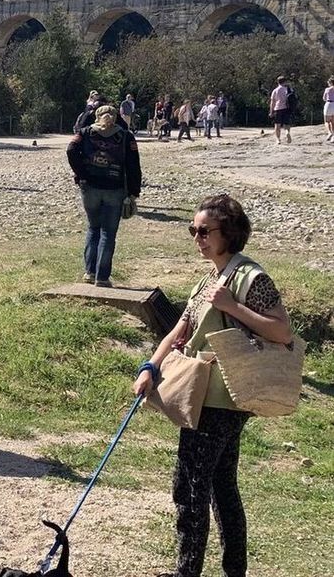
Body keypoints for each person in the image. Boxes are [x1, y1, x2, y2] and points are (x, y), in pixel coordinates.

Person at [134, 195, 293, 577]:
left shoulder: (250, 277)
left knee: (189, 487)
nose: (197, 237)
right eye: (193, 230)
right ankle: (233, 571)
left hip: (224, 398)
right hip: (208, 397)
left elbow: (283, 332)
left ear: (229, 232)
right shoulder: (209, 278)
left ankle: (187, 572)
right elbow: (180, 329)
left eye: (204, 231)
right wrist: (150, 367)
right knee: (221, 488)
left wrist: (233, 306)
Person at [66, 104, 142, 288]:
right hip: (115, 189)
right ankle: (102, 277)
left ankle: (90, 272)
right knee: (108, 233)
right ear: (116, 117)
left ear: (96, 116)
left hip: (89, 187)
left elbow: (70, 150)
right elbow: (133, 165)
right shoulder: (126, 136)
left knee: (93, 228)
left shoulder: (85, 132)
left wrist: (81, 174)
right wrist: (134, 191)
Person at [268, 75, 292, 144]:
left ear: (278, 82)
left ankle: (278, 139)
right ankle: (287, 132)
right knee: (286, 124)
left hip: (278, 109)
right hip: (287, 109)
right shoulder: (288, 90)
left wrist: (271, 112)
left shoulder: (275, 90)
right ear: (285, 82)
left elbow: (273, 102)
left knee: (277, 125)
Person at [323, 77, 334, 142]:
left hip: (329, 104)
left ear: (331, 83)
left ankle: (329, 132)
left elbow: (324, 98)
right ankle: (333, 137)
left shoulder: (327, 89)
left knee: (327, 121)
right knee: (333, 122)